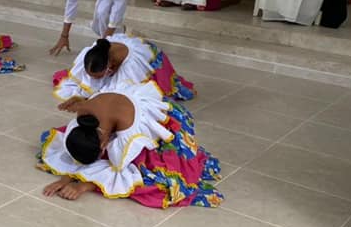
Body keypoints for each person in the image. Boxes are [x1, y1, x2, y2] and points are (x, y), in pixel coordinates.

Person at [38, 81, 222, 208]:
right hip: (123, 110)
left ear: (104, 144)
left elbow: (118, 168)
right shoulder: (82, 115)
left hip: (167, 119)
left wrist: (84, 185)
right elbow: (79, 150)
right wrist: (66, 178)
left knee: (151, 171)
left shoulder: (129, 132)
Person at [53, 34, 196, 107]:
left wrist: (90, 102)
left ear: (110, 67)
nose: (92, 80)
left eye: (98, 77)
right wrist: (81, 95)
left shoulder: (132, 66)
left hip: (151, 61)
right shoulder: (96, 52)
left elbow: (121, 95)